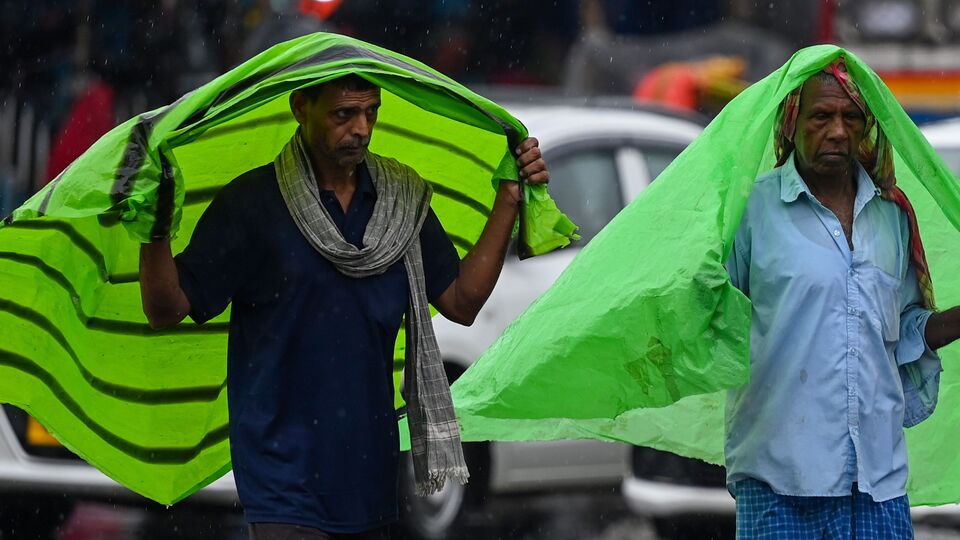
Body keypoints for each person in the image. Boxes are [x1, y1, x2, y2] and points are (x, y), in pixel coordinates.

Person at [138, 74, 549, 539]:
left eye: (370, 112)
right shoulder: (253, 205)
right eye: (343, 114)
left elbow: (461, 301)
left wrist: (509, 199)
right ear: (300, 109)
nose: (361, 128)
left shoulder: (400, 202)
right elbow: (166, 308)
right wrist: (154, 228)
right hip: (281, 476)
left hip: (368, 473)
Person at [724, 60, 960, 539]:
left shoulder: (891, 216)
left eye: (851, 118)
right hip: (779, 480)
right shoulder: (750, 210)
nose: (837, 131)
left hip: (878, 481)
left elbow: (905, 326)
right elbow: (706, 311)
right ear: (792, 122)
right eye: (821, 117)